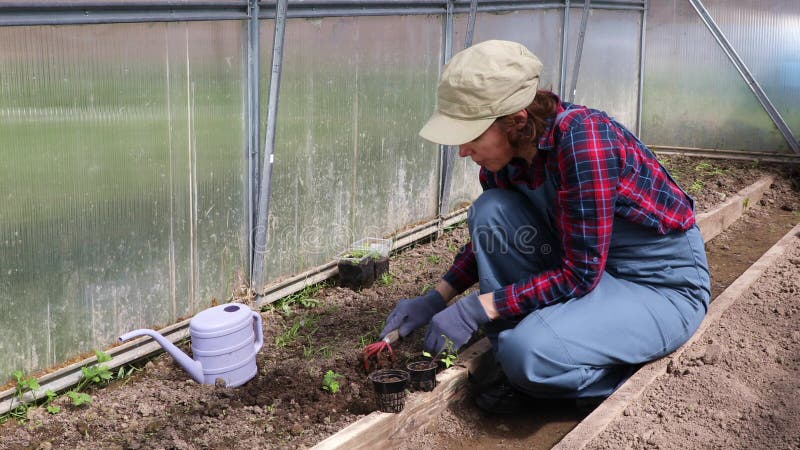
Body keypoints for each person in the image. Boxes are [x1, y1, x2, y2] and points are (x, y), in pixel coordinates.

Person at [379, 40, 711, 414]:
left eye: (470, 136)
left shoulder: (585, 142)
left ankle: (570, 372)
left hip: (655, 285)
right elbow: (492, 238)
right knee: (490, 210)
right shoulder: (504, 157)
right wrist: (438, 296)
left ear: (516, 120)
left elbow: (580, 274)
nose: (462, 151)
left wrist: (476, 308)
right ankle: (538, 350)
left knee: (529, 355)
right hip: (593, 273)